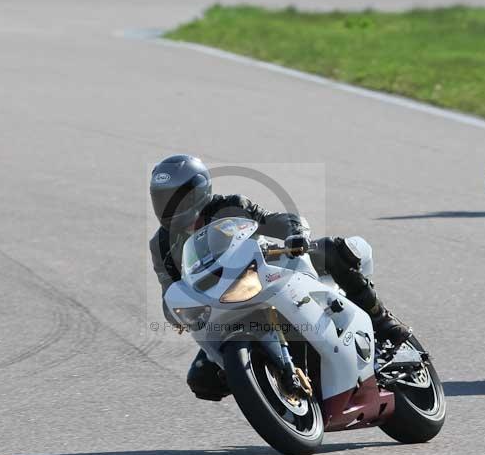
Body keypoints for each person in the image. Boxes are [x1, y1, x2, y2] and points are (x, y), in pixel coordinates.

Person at [149, 154, 411, 400]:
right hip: (221, 303)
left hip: (267, 271)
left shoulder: (230, 205)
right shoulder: (160, 244)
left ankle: (383, 321)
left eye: (178, 197)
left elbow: (275, 220)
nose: (169, 206)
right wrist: (175, 311)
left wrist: (294, 234)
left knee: (333, 250)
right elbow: (169, 287)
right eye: (163, 199)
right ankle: (262, 377)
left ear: (199, 190)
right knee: (202, 381)